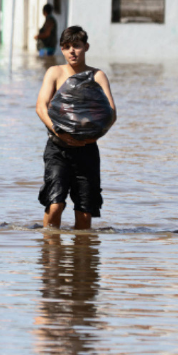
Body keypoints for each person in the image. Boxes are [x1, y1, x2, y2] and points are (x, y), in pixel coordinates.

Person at [35, 26, 117, 231]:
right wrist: (58, 131)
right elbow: (40, 107)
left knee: (85, 212)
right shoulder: (54, 72)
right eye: (67, 47)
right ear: (61, 49)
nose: (72, 51)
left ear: (86, 47)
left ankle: (82, 258)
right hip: (58, 149)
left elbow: (111, 113)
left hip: (87, 150)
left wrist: (89, 139)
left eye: (77, 46)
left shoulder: (97, 76)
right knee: (55, 205)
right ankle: (50, 255)